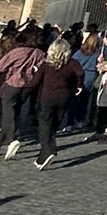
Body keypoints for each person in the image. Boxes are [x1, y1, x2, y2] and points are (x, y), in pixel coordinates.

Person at [0, 30, 45, 159]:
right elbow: (43, 67)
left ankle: (12, 138)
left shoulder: (16, 52)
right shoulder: (39, 53)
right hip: (28, 86)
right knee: (14, 112)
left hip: (13, 84)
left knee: (8, 113)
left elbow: (0, 67)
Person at [30, 40, 83, 170]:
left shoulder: (46, 65)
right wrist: (78, 85)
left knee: (44, 125)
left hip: (47, 97)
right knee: (54, 125)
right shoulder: (72, 63)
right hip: (64, 97)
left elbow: (35, 82)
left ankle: (47, 150)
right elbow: (80, 73)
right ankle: (44, 155)